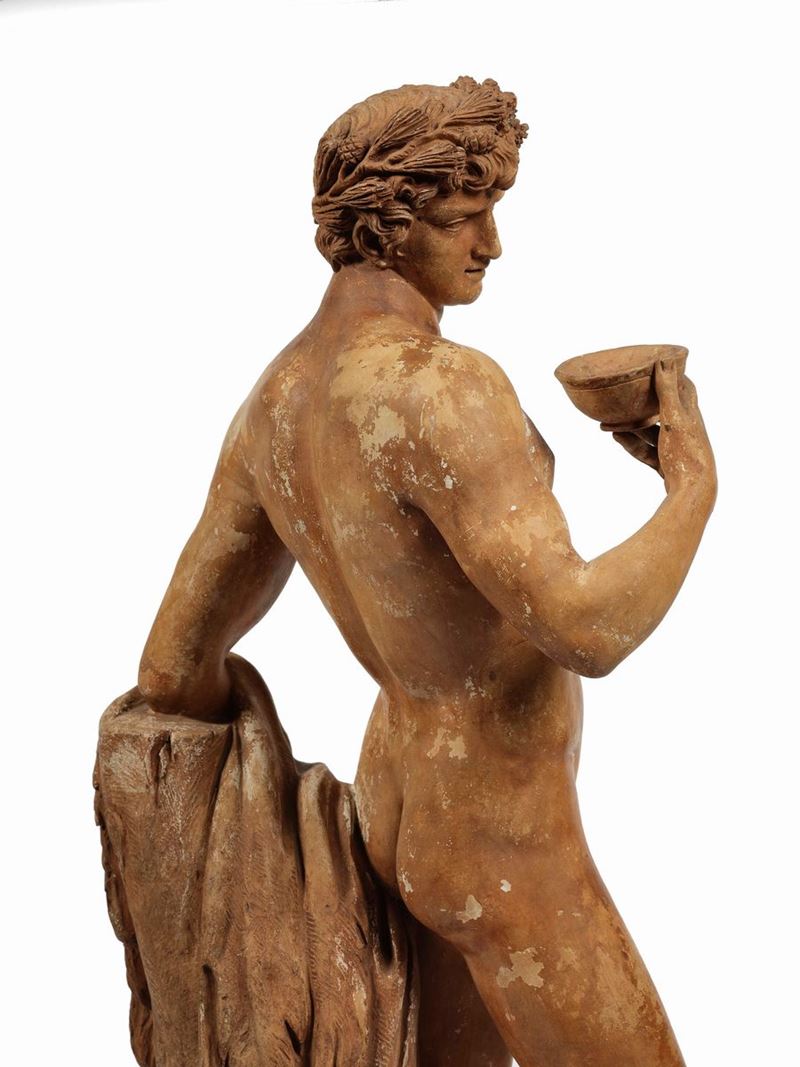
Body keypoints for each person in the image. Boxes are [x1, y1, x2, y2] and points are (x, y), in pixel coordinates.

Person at [138, 77, 717, 1066]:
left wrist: (245, 810)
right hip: (503, 834)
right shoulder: (441, 389)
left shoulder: (275, 403)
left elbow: (170, 665)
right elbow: (585, 628)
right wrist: (690, 488)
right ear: (384, 222)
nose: (492, 244)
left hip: (396, 810)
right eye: (463, 215)